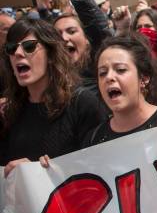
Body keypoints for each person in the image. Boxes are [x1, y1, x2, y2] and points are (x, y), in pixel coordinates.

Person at [0, 19, 101, 176]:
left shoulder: (82, 103)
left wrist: (48, 172)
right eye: (11, 48)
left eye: (29, 46)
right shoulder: (9, 112)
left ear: (51, 54)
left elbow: (100, 167)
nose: (18, 53)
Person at [79, 35, 157, 147]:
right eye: (102, 73)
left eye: (120, 70)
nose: (109, 77)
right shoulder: (93, 141)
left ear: (143, 78)